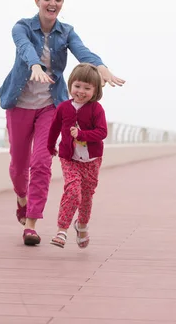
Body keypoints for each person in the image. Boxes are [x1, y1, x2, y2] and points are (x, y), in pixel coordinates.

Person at [0, 0, 124, 246]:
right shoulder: (21, 27)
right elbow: (24, 48)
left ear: (62, 3)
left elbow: (82, 52)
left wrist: (100, 66)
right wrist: (34, 66)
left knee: (41, 163)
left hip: (50, 107)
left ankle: (31, 224)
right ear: (37, 1)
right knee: (19, 167)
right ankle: (22, 199)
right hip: (19, 104)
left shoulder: (66, 32)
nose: (52, 3)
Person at [47, 63, 106, 249]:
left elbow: (102, 132)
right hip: (69, 158)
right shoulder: (64, 107)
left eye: (87, 88)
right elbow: (54, 128)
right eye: (77, 86)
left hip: (92, 160)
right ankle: (61, 230)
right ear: (70, 85)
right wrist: (50, 146)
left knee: (86, 196)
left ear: (95, 90)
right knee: (73, 190)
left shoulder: (96, 109)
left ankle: (82, 226)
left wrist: (82, 135)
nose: (81, 91)